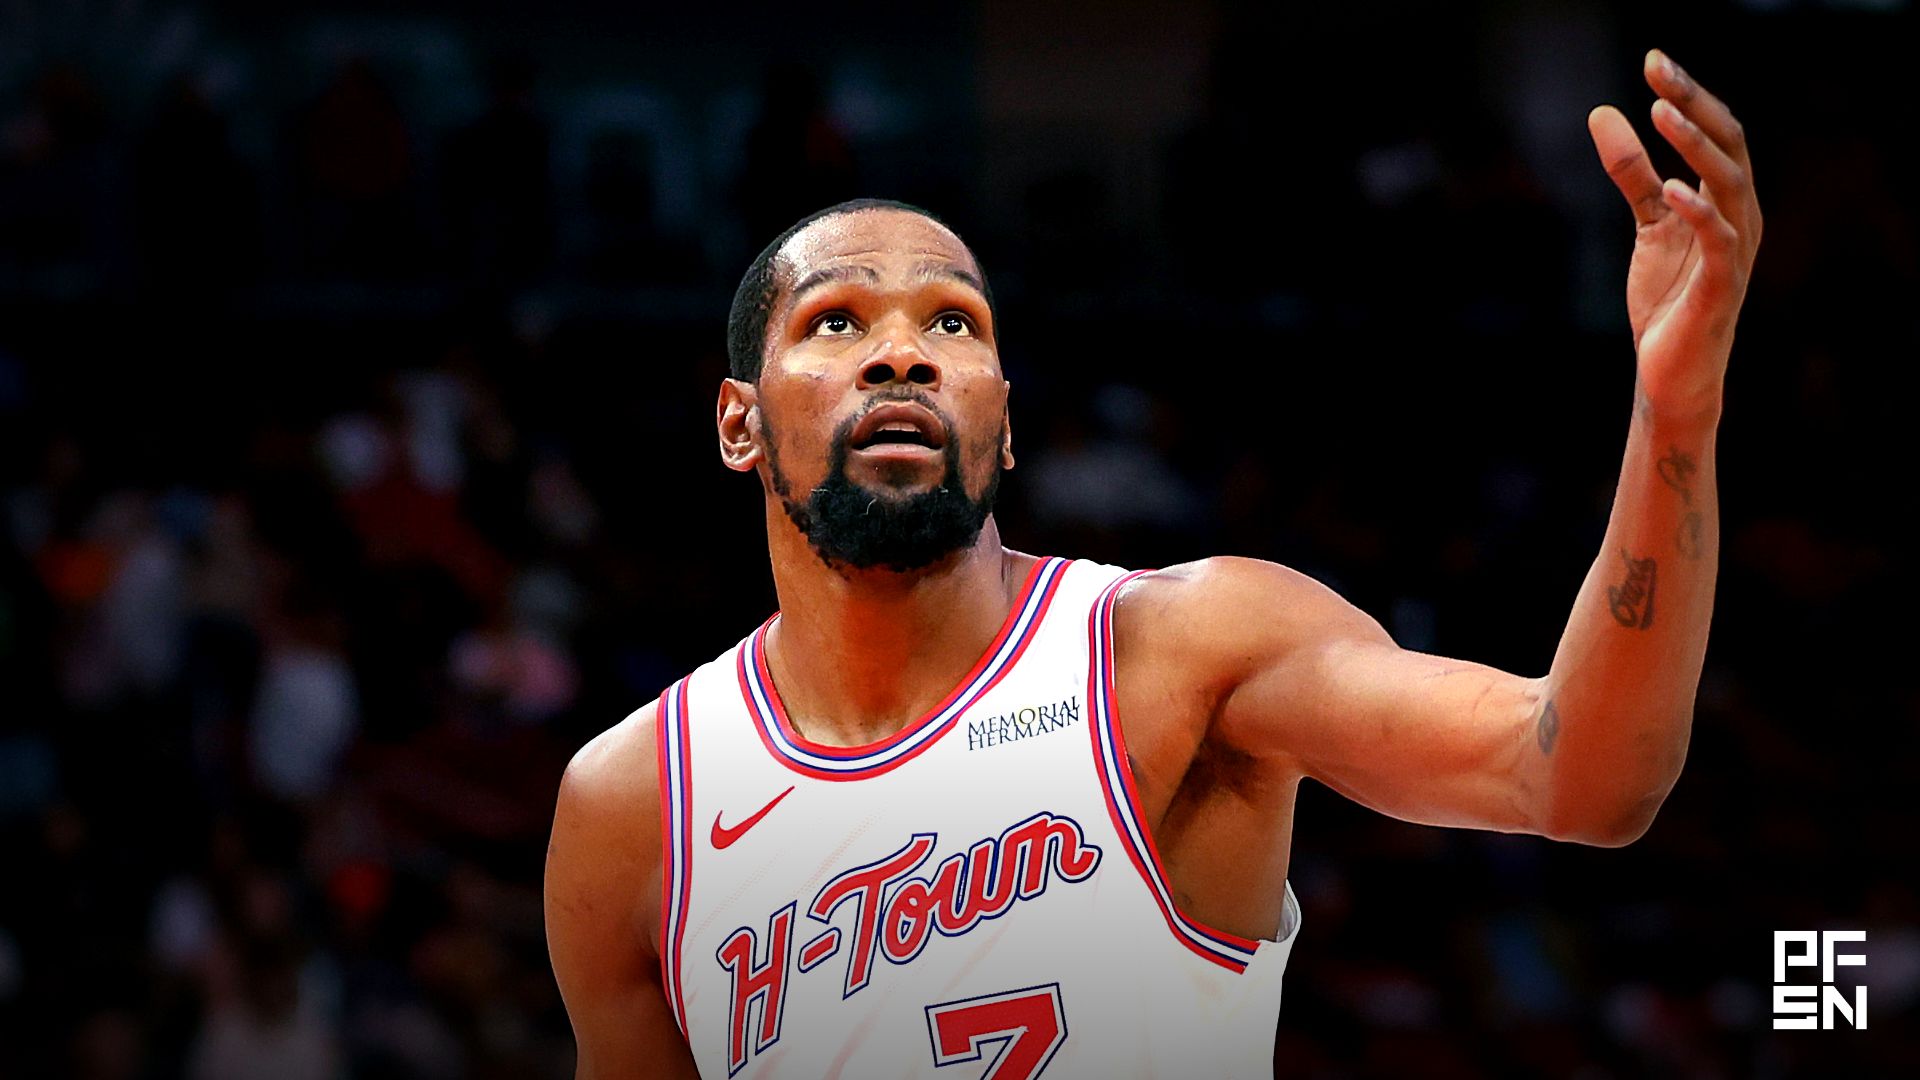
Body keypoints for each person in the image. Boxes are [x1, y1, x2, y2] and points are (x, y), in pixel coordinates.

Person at [544, 49, 1761, 1078]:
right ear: (739, 422)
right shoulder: (632, 807)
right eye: (837, 321)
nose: (902, 354)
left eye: (953, 322)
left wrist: (1676, 412)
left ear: (1004, 423)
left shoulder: (1185, 651)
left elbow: (1582, 779)